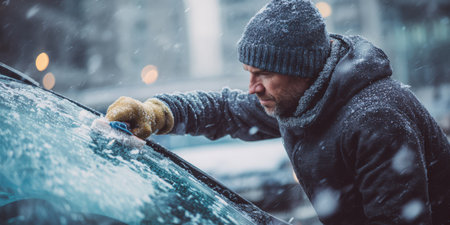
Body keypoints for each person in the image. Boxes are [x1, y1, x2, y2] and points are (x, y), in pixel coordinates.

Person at [105, 0, 450, 224]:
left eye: (264, 74)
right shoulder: (300, 99)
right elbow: (226, 109)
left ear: (302, 68)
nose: (253, 88)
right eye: (249, 73)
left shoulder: (375, 119)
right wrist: (159, 112)